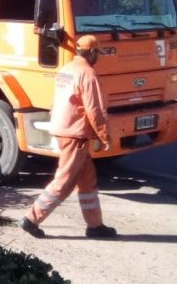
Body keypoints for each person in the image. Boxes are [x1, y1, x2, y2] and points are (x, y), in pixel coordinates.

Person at [19, 35, 117, 239]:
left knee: (87, 181)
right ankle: (31, 219)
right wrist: (105, 136)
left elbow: (56, 100)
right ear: (91, 53)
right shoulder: (88, 73)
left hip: (64, 129)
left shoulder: (67, 69)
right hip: (76, 133)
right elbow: (95, 109)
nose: (97, 57)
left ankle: (95, 226)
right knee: (63, 181)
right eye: (96, 53)